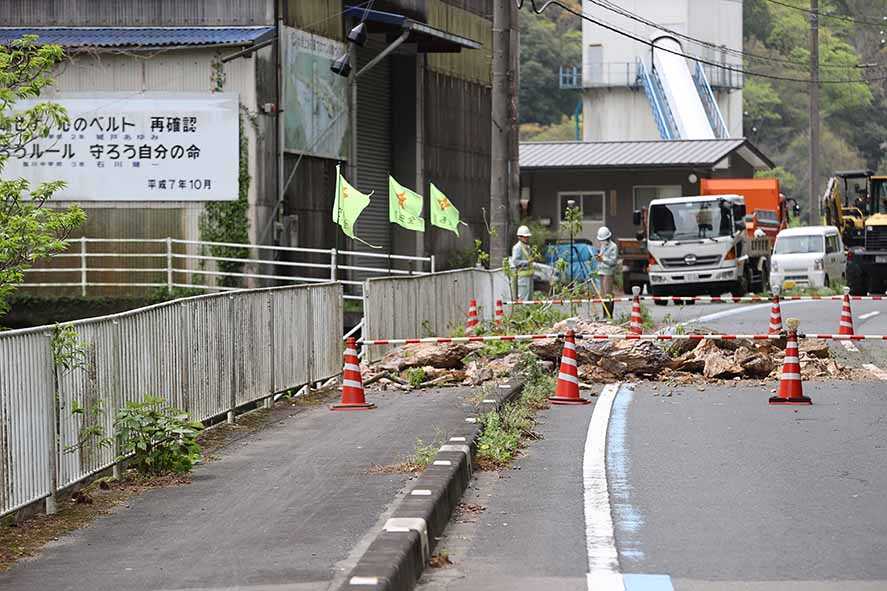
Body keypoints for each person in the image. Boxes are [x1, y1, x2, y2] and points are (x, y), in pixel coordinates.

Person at [595, 226, 618, 318]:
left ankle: (609, 315)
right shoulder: (603, 245)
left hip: (608, 272)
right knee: (603, 294)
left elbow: (613, 261)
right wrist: (599, 257)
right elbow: (602, 256)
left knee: (608, 293)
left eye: (603, 239)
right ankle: (604, 315)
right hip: (601, 271)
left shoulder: (613, 247)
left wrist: (603, 259)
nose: (602, 241)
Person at [511, 225, 534, 301]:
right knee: (523, 300)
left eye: (528, 236)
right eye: (525, 236)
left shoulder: (527, 247)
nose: (527, 238)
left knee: (529, 300)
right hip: (523, 279)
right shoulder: (517, 247)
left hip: (529, 278)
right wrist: (527, 262)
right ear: (519, 237)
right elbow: (515, 261)